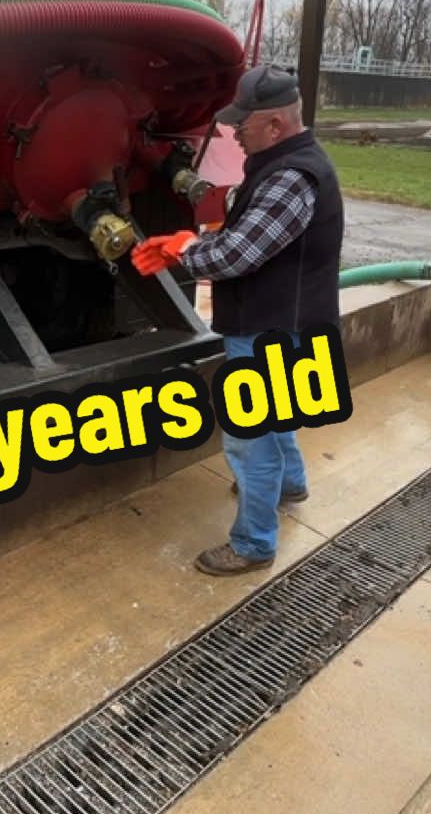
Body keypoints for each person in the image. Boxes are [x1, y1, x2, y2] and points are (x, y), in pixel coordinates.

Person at [131, 63, 344, 576]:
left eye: (243, 124)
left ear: (274, 124)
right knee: (279, 421)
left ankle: (252, 544)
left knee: (251, 442)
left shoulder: (293, 176)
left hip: (272, 328)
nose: (234, 132)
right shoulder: (289, 163)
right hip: (290, 324)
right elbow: (247, 234)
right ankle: (290, 485)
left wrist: (186, 250)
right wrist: (196, 241)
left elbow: (238, 255)